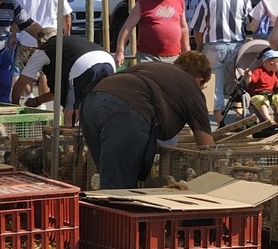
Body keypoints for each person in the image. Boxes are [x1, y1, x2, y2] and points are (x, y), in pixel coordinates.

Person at [79, 51, 215, 189]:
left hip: (91, 101)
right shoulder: (192, 88)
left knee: (109, 176)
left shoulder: (153, 68)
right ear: (200, 79)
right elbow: (206, 145)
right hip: (125, 108)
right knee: (119, 188)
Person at [191, 0, 252, 124]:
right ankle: (240, 117)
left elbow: (198, 28)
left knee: (214, 84)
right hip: (236, 45)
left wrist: (199, 46)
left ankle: (219, 121)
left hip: (213, 45)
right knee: (237, 81)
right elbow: (249, 26)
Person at [20, 33, 116, 124]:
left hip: (82, 64)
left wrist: (15, 108)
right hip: (108, 60)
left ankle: (69, 136)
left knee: (71, 108)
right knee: (102, 103)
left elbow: (18, 86)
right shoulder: (72, 42)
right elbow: (56, 92)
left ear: (40, 42)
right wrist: (37, 101)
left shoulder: (45, 48)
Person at [115, 0, 189, 66]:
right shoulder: (143, 1)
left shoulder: (179, 0)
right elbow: (128, 26)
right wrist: (120, 51)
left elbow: (183, 27)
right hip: (148, 57)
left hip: (174, 57)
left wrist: (187, 52)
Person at [14, 0, 59, 78]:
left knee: (26, 71)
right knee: (45, 74)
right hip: (50, 40)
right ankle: (39, 96)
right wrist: (67, 34)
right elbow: (67, 16)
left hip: (27, 39)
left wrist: (14, 35)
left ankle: (28, 94)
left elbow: (16, 15)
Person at [247, 48, 278, 126]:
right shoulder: (258, 71)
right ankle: (268, 119)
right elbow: (249, 81)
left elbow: (277, 84)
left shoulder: (272, 73)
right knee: (261, 100)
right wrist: (247, 76)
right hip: (258, 94)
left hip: (270, 94)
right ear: (271, 64)